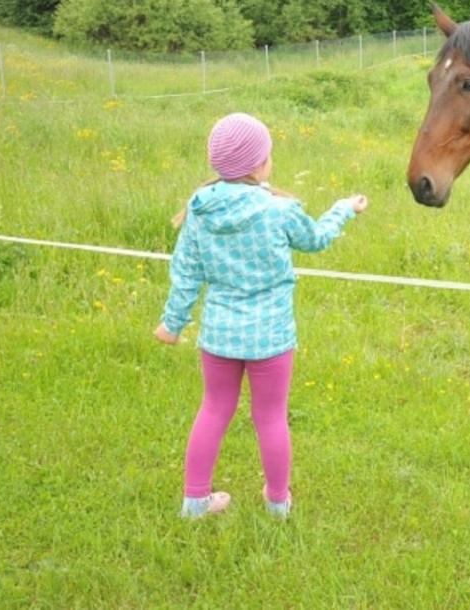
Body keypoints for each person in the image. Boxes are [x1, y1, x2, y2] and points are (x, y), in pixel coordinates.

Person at [154, 112, 367, 519]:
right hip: (271, 337)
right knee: (270, 418)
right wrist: (344, 208)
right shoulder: (279, 210)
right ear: (260, 163)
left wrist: (172, 323)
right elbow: (317, 239)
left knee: (213, 409)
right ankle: (277, 503)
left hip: (219, 336)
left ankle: (194, 502)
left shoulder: (200, 209)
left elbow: (186, 271)